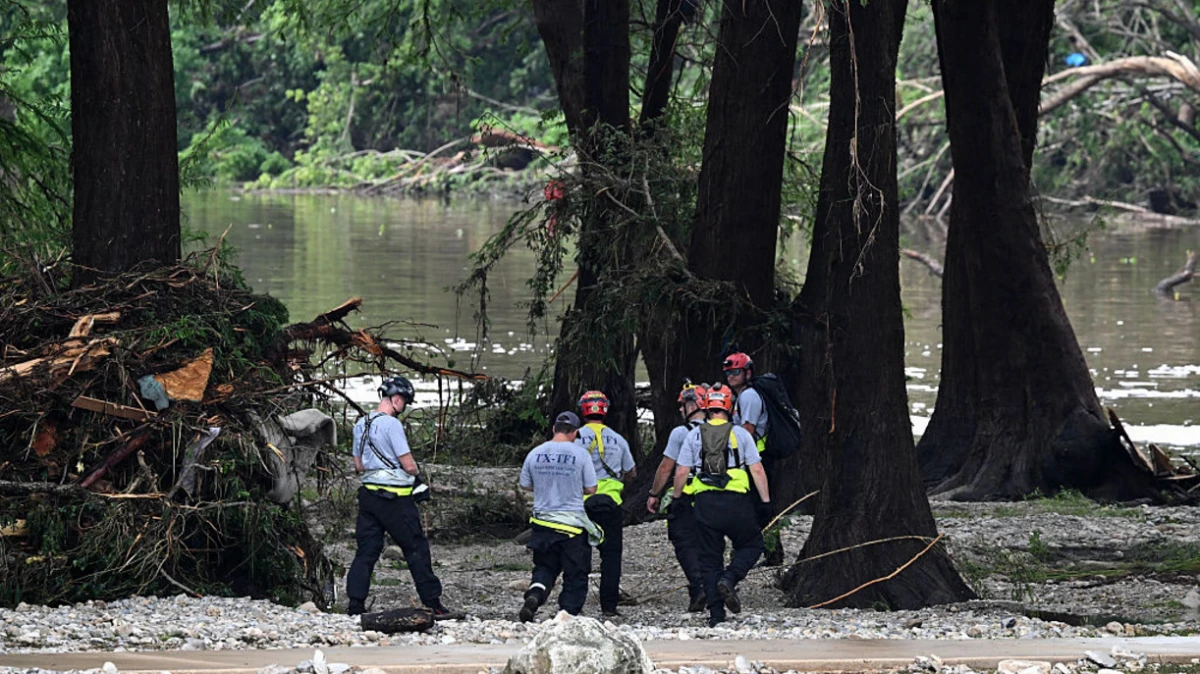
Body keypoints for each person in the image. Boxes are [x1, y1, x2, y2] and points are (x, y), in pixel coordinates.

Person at [347, 375, 454, 618]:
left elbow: (359, 466)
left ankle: (355, 605)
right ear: (396, 399)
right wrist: (417, 477)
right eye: (404, 402)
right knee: (416, 549)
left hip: (368, 497)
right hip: (395, 499)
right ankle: (433, 603)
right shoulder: (392, 425)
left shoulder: (360, 424)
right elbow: (408, 464)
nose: (404, 406)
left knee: (366, 552)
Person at [671, 383, 771, 627]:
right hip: (737, 503)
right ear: (730, 407)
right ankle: (730, 578)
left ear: (706, 406)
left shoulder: (694, 435)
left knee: (709, 559)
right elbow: (757, 469)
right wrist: (765, 502)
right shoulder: (742, 434)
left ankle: (716, 615)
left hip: (705, 504)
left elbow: (682, 471)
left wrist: (676, 498)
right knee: (753, 544)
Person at [518, 411, 602, 622]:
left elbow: (525, 484)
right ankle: (568, 613)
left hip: (542, 523)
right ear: (574, 432)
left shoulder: (535, 453)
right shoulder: (581, 454)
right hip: (572, 527)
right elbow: (591, 488)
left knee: (544, 567)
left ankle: (535, 594)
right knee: (576, 573)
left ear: (554, 428)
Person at [646, 381, 709, 612]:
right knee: (709, 543)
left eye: (683, 405)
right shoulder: (724, 430)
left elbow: (666, 467)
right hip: (716, 496)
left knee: (684, 542)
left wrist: (654, 494)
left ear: (693, 405)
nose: (681, 410)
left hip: (687, 495)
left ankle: (698, 586)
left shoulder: (681, 433)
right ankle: (713, 585)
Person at [574, 390, 637, 617]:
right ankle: (609, 607)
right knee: (611, 556)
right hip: (611, 503)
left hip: (582, 504)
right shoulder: (618, 440)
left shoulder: (575, 438)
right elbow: (631, 472)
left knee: (578, 554)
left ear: (583, 410)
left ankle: (574, 604)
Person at [724, 352, 783, 566]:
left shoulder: (748, 397)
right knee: (755, 505)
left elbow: (747, 430)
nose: (731, 376)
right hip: (754, 458)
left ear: (747, 373)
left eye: (735, 372)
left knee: (760, 505)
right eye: (728, 373)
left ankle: (772, 553)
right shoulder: (743, 396)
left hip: (757, 459)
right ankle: (767, 551)